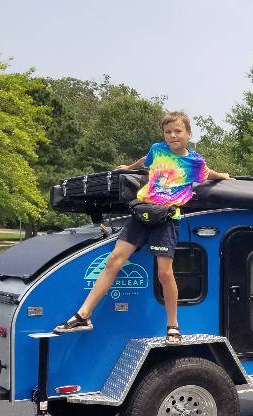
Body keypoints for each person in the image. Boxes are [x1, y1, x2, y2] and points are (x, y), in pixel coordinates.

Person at [55, 111, 233, 342]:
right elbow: (143, 163)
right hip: (142, 212)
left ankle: (173, 326)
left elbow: (209, 174)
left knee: (164, 273)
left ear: (188, 134)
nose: (172, 136)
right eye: (168, 132)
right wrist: (127, 168)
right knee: (113, 261)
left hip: (167, 218)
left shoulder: (195, 161)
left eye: (177, 131)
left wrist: (224, 176)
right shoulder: (157, 150)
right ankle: (84, 315)